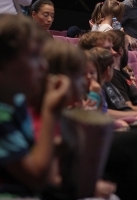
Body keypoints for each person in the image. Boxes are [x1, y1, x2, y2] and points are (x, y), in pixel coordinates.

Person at [0, 14, 85, 198]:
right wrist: (50, 111)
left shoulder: (17, 102)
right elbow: (38, 178)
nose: (44, 66)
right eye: (34, 56)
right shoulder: (2, 117)